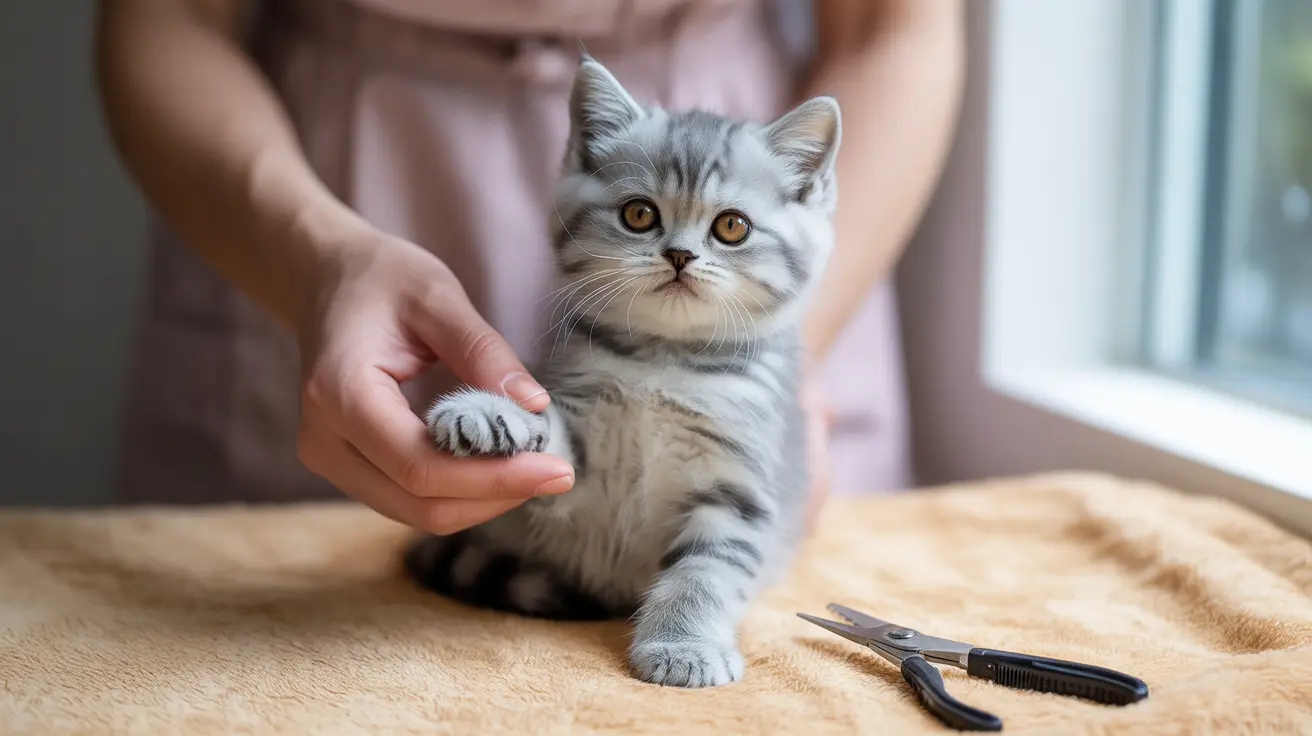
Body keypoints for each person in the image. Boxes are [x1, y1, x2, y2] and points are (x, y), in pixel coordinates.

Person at [94, 0, 964, 534]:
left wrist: (765, 361)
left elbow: (900, 26)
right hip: (319, 181)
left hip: (738, 194)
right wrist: (317, 262)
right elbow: (161, 18)